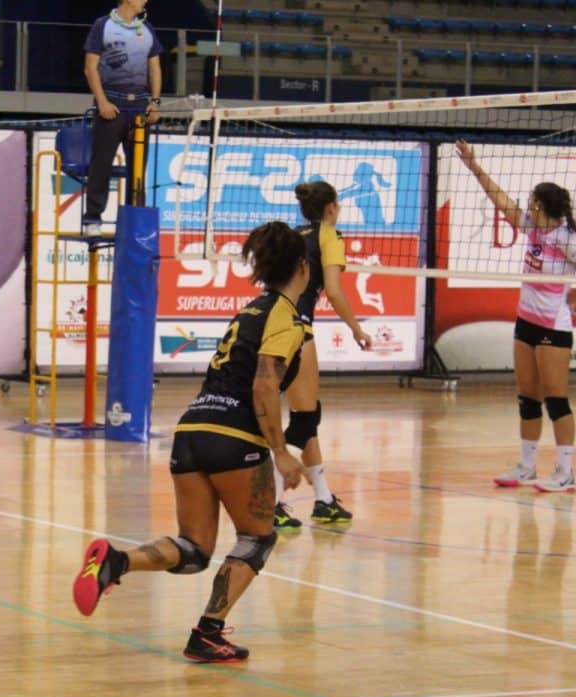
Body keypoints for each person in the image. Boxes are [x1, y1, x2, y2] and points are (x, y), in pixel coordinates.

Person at [73, 221, 311, 662]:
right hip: (235, 436)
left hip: (192, 430)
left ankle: (117, 563)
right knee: (257, 540)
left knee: (195, 550)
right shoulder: (287, 318)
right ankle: (208, 632)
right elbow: (263, 383)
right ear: (303, 268)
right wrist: (280, 451)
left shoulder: (251, 311)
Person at [457, 140, 576, 491]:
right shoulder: (534, 228)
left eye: (530, 204)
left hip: (552, 327)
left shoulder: (567, 239)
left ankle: (566, 471)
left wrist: (572, 294)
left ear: (539, 205)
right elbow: (502, 202)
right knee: (528, 397)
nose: (525, 208)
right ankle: (526, 466)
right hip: (526, 321)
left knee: (556, 398)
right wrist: (474, 166)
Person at [272, 181, 373, 531]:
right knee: (305, 418)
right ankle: (268, 502)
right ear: (332, 207)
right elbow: (333, 290)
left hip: (270, 325)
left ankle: (323, 499)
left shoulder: (289, 235)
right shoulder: (329, 235)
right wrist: (357, 329)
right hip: (295, 328)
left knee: (307, 414)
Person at [81, 0, 162, 237]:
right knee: (101, 164)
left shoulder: (147, 30)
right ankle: (92, 219)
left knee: (137, 168)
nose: (145, 1)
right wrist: (103, 102)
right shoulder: (102, 25)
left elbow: (155, 69)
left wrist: (155, 103)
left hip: (139, 107)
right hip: (112, 105)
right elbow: (90, 67)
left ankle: (134, 220)